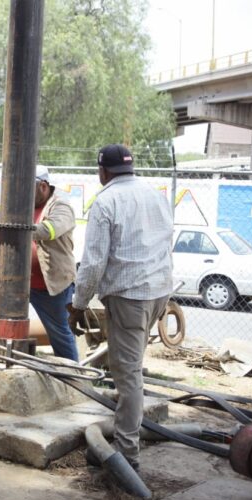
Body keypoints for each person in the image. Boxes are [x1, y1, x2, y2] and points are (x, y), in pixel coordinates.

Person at [70, 144, 173, 471]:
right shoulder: (155, 195)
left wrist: (78, 304)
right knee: (129, 369)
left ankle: (127, 457)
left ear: (103, 171)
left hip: (130, 296)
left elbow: (93, 263)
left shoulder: (106, 202)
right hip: (157, 293)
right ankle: (124, 436)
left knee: (127, 377)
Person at [0, 165, 79, 361]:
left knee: (59, 334)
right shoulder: (24, 206)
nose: (24, 193)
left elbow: (48, 230)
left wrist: (13, 230)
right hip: (22, 281)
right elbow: (15, 230)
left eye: (28, 188)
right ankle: (13, 351)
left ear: (43, 187)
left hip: (51, 285)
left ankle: (73, 375)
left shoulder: (61, 207)